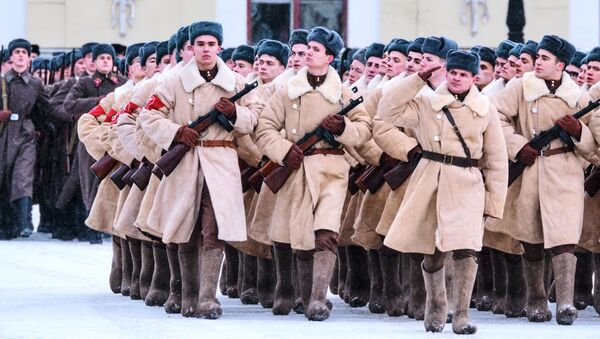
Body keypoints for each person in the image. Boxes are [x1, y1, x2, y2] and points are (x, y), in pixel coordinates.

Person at [140, 21, 262, 319]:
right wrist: (177, 133)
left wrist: (234, 113)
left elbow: (255, 116)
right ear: (191, 48)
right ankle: (187, 294)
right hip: (186, 161)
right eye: (200, 44)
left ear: (219, 48)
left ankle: (208, 297)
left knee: (215, 228)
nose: (206, 50)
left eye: (211, 44)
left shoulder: (236, 82)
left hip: (221, 162)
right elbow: (149, 115)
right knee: (186, 228)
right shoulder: (172, 82)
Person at [255, 26, 371, 321]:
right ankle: (293, 291)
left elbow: (364, 129)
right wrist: (283, 150)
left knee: (326, 233)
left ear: (330, 58)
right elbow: (265, 127)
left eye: (316, 49)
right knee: (297, 236)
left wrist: (342, 128)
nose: (308, 52)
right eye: (307, 48)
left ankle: (318, 298)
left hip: (331, 169)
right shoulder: (287, 90)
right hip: (296, 169)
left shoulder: (343, 93)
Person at [492, 35, 598, 325]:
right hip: (531, 169)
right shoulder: (519, 87)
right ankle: (536, 300)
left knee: (565, 239)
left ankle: (564, 303)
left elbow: (591, 147)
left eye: (545, 58)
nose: (538, 62)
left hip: (564, 170)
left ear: (561, 65)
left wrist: (577, 130)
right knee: (532, 239)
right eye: (537, 57)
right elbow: (495, 118)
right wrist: (517, 146)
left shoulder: (578, 96)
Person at [0, 38, 50, 239]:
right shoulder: (2, 81)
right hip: (3, 133)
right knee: (3, 176)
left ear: (29, 58)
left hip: (25, 133)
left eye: (24, 52)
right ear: (11, 57)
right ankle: (6, 224)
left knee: (23, 176)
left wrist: (72, 113)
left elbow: (47, 108)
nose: (21, 55)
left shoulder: (35, 83)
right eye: (17, 52)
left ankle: (23, 223)